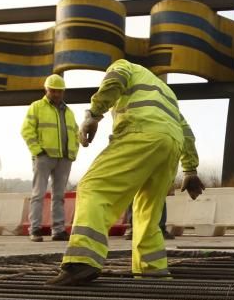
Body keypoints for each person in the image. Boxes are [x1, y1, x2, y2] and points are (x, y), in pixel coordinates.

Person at [48, 58, 204, 286]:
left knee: (94, 187)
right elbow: (186, 130)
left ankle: (83, 261)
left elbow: (114, 82)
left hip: (140, 133)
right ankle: (152, 270)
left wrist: (93, 115)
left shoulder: (123, 65)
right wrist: (190, 169)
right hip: (171, 145)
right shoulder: (165, 90)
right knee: (148, 211)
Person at [21, 74, 79, 242]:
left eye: (59, 91)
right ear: (47, 90)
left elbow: (75, 133)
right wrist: (38, 151)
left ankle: (58, 230)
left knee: (59, 196)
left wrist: (73, 153)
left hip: (64, 158)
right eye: (53, 91)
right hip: (44, 157)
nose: (56, 94)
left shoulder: (68, 112)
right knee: (38, 194)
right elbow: (26, 130)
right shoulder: (36, 107)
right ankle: (35, 229)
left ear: (63, 92)